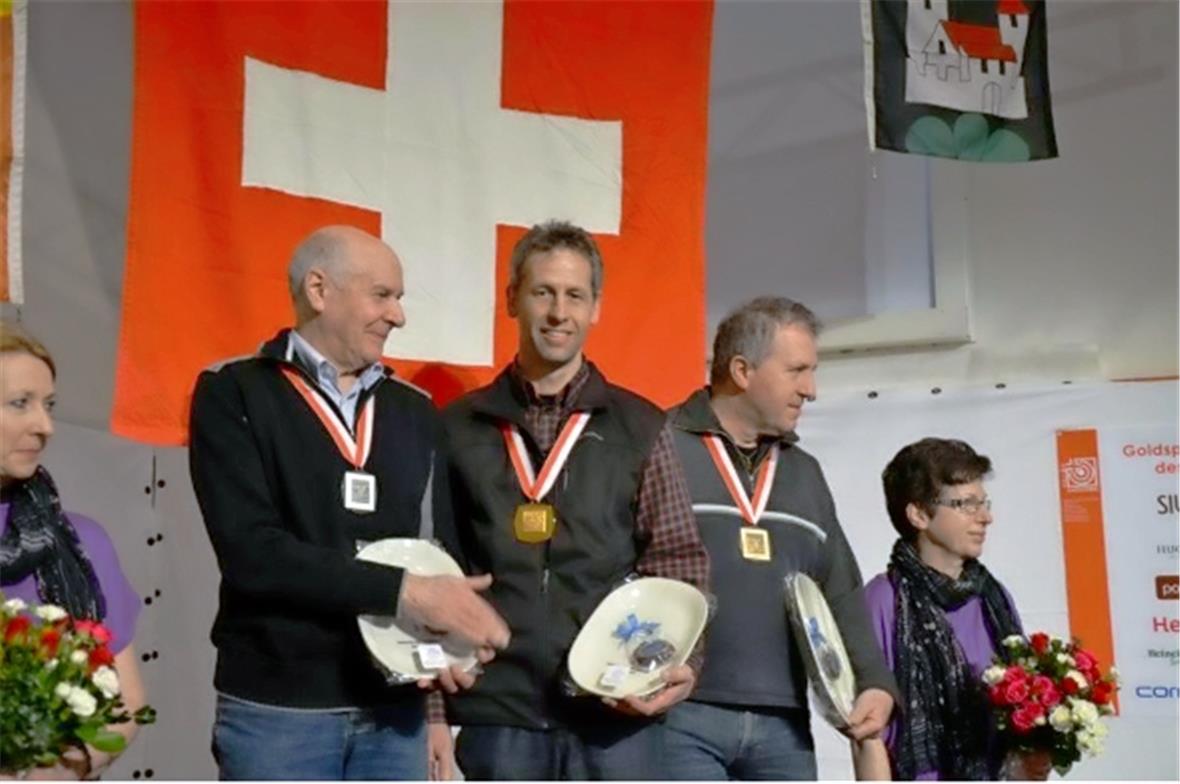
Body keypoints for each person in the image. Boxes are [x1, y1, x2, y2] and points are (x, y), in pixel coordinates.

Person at [188, 226, 510, 780]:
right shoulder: (233, 391)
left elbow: (437, 554)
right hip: (279, 713)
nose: (398, 316)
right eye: (382, 295)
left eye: (399, 299)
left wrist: (451, 649)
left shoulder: (416, 411)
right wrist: (405, 594)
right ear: (319, 290)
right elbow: (252, 553)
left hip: (396, 717)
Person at [441, 220, 711, 780]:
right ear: (512, 298)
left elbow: (678, 558)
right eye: (543, 292)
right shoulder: (458, 427)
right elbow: (436, 568)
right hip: (497, 716)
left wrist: (684, 659)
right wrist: (431, 710)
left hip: (612, 714)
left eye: (574, 296)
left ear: (596, 308)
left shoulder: (640, 425)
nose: (559, 313)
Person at [661, 297, 899, 780]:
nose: (810, 390)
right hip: (677, 715)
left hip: (784, 726)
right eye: (797, 371)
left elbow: (841, 590)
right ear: (743, 370)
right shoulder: (658, 446)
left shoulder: (804, 474)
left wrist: (874, 681)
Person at [0, 321, 147, 780]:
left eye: (49, 405)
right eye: (20, 404)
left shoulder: (81, 541)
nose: (44, 426)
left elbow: (127, 705)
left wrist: (57, 770)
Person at [858, 438, 1047, 780]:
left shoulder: (994, 598)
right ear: (918, 514)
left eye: (984, 502)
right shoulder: (882, 599)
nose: (986, 517)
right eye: (966, 504)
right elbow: (868, 734)